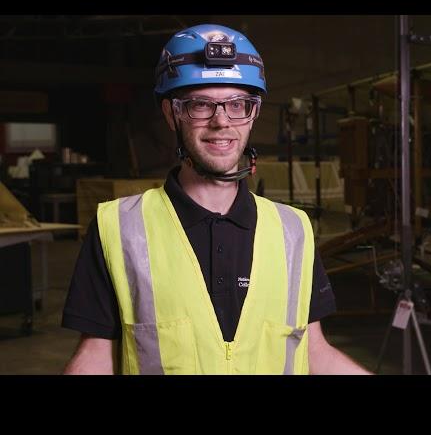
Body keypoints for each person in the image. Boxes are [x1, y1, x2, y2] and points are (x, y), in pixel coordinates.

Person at [61, 24, 371, 375]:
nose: (222, 122)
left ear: (253, 113)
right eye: (200, 105)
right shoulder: (118, 229)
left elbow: (314, 349)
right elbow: (96, 356)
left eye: (238, 104)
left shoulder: (293, 230)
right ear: (171, 113)